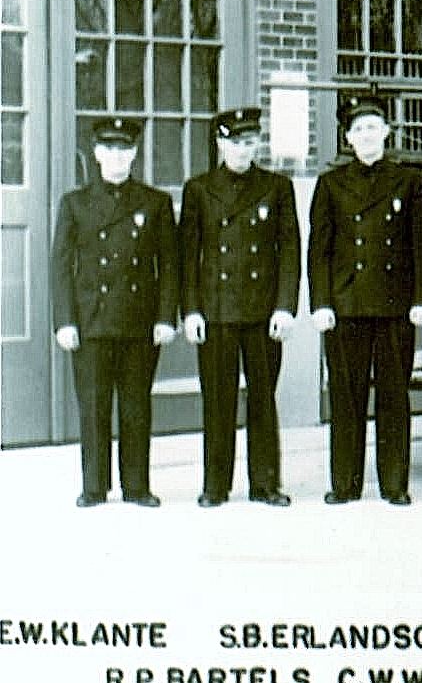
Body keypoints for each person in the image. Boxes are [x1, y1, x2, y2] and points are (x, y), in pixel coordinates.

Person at [308, 93, 422, 505]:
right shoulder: (330, 184)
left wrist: (421, 299)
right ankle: (344, 483)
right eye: (358, 129)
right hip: (345, 306)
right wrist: (321, 303)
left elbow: (420, 245)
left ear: (386, 132)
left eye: (373, 127)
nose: (366, 135)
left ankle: (395, 483)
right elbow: (319, 249)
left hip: (395, 305)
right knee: (346, 397)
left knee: (395, 397)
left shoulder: (408, 181)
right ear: (348, 137)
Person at [51, 115, 179, 507]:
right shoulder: (75, 203)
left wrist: (164, 317)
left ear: (135, 153)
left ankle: (137, 486)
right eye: (109, 149)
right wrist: (64, 321)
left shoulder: (154, 202)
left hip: (139, 320)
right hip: (91, 320)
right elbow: (61, 265)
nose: (117, 157)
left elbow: (169, 264)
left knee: (136, 404)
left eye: (125, 149)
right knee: (93, 405)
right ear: (96, 153)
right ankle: (94, 486)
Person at [179, 106, 301, 507]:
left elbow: (289, 252)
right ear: (220, 144)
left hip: (263, 312)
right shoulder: (198, 189)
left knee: (263, 399)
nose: (243, 150)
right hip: (216, 312)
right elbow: (188, 256)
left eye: (250, 142)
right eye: (235, 142)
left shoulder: (276, 187)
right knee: (218, 400)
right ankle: (215, 485)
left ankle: (265, 484)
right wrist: (191, 311)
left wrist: (285, 307)